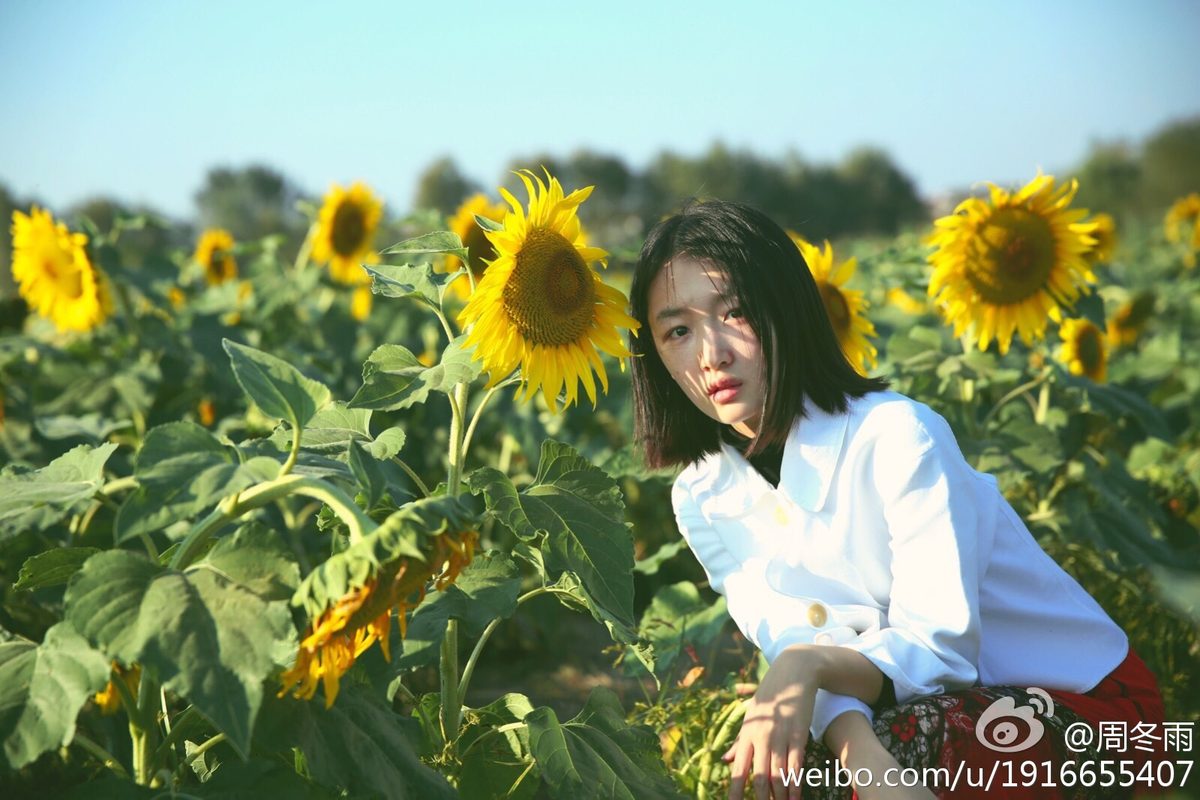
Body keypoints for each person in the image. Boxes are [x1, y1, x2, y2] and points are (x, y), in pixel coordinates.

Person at [628, 199, 1171, 800]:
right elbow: (793, 641)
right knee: (787, 771)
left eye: (735, 313)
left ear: (788, 308)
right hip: (936, 711)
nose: (710, 354)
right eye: (678, 330)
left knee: (904, 746)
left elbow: (939, 649)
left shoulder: (897, 436)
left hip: (1101, 718)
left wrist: (807, 673)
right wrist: (853, 743)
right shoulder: (702, 496)